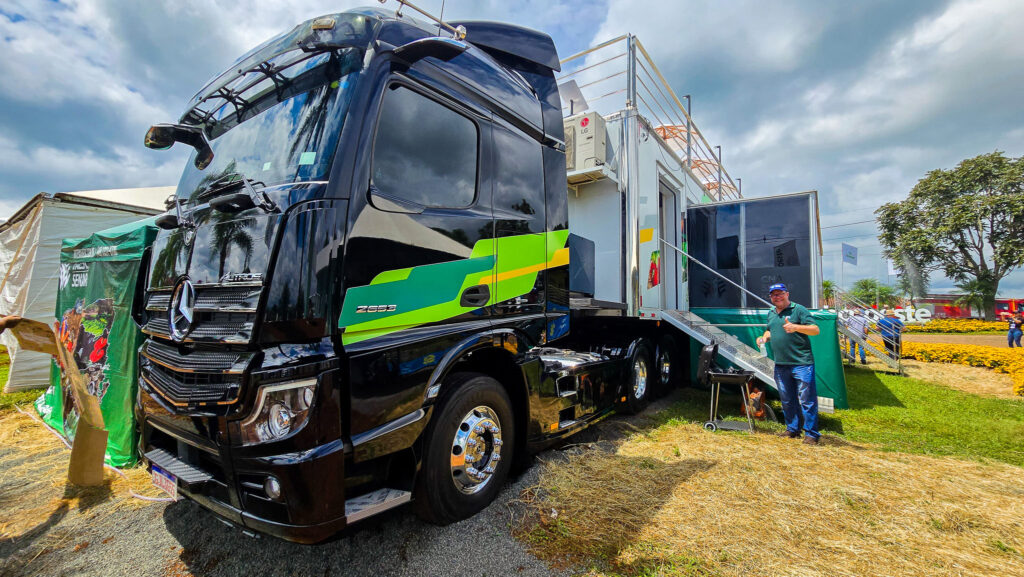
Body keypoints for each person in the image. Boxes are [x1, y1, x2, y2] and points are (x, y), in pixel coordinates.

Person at [756, 283, 821, 445]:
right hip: (781, 364)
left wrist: (795, 327)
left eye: (780, 294)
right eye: (773, 295)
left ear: (787, 294)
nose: (776, 297)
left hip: (802, 363)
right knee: (787, 399)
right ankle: (792, 429)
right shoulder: (771, 312)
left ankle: (811, 434)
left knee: (807, 400)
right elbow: (769, 330)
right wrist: (764, 338)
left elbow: (815, 329)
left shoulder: (799, 310)